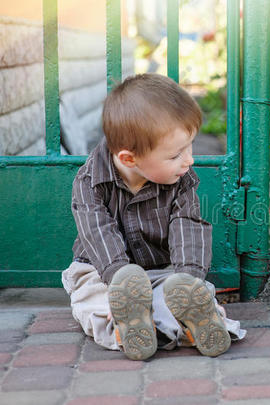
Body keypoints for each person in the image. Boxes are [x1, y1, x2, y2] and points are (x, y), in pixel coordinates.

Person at [62, 73, 245, 360]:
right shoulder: (89, 182)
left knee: (180, 292)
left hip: (163, 270)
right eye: (175, 155)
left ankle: (195, 321)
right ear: (128, 159)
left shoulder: (182, 179)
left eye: (190, 146)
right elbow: (98, 233)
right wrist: (118, 280)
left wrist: (190, 278)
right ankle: (130, 327)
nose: (189, 160)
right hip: (100, 270)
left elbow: (189, 227)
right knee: (93, 303)